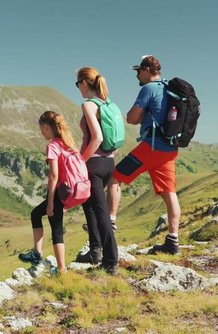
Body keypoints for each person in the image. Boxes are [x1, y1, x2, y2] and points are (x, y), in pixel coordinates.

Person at [108, 55, 181, 254]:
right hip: (169, 149)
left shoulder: (148, 89)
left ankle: (110, 221)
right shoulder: (169, 88)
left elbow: (131, 118)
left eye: (138, 71)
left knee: (115, 178)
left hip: (151, 147)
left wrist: (139, 116)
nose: (137, 75)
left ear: (147, 70)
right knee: (170, 193)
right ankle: (173, 241)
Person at [18, 111, 77, 274]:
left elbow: (53, 175)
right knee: (36, 214)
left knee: (56, 229)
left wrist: (51, 202)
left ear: (46, 127)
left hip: (59, 192)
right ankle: (37, 254)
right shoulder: (68, 143)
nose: (41, 132)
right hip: (68, 190)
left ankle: (61, 269)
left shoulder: (53, 146)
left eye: (41, 129)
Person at [73, 67, 119, 274]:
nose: (78, 89)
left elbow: (98, 137)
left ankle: (111, 262)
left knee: (101, 214)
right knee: (89, 207)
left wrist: (81, 162)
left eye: (77, 84)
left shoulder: (89, 105)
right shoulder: (108, 104)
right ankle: (96, 251)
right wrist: (108, 158)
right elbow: (114, 140)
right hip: (108, 162)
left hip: (93, 164)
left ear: (84, 83)